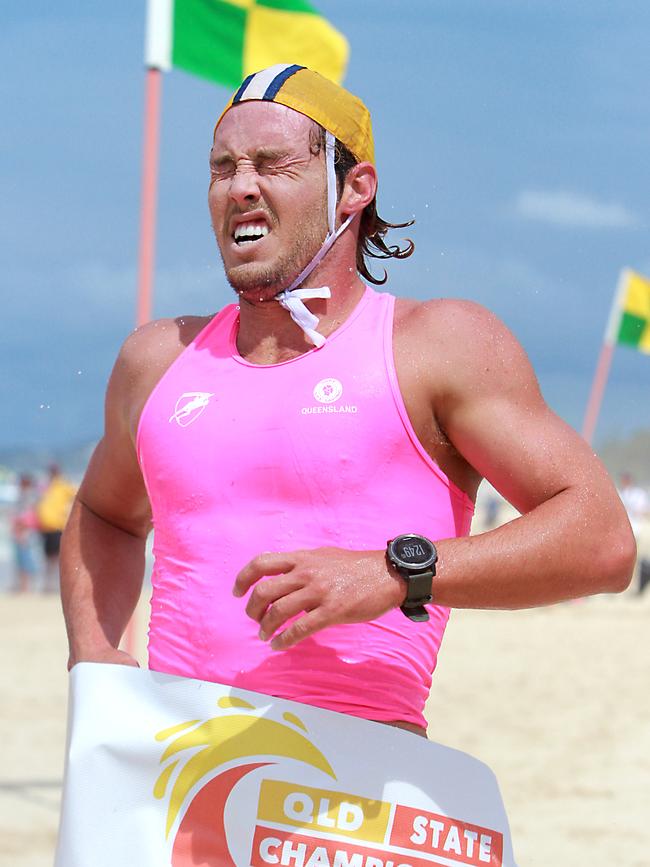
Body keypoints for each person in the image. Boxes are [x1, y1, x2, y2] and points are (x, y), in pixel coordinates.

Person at [61, 65, 635, 739]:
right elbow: (105, 514)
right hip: (176, 781)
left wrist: (397, 571)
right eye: (223, 168)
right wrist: (93, 658)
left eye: (272, 163)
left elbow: (603, 540)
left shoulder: (435, 345)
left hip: (353, 794)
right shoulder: (157, 360)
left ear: (352, 189)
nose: (241, 185)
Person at [37, 464, 76, 593]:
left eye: (54, 471)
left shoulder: (63, 485)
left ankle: (55, 586)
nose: (52, 473)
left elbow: (78, 495)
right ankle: (48, 585)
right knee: (48, 558)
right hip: (45, 528)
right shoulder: (48, 485)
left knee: (56, 558)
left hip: (56, 526)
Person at [10, 473, 39, 593]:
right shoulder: (29, 496)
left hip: (24, 534)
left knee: (24, 560)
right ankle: (24, 586)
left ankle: (25, 587)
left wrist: (19, 528)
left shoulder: (27, 496)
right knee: (23, 559)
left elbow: (25, 518)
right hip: (24, 533)